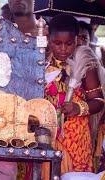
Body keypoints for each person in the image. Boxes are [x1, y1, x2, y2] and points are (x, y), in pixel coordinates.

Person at [45, 14, 104, 174]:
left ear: (77, 40)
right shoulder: (40, 61)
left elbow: (98, 101)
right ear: (48, 38)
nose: (63, 49)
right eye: (57, 43)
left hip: (76, 137)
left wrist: (78, 108)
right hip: (45, 135)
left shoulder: (85, 65)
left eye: (69, 44)